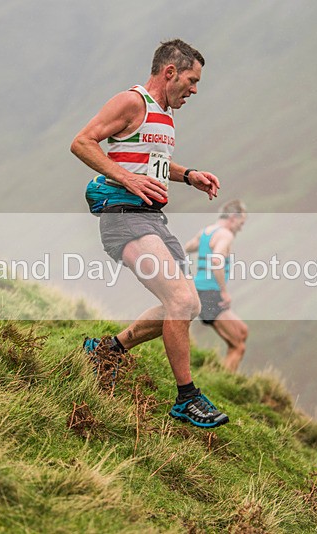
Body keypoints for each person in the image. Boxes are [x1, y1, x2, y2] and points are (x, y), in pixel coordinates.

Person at [70, 39, 228, 428]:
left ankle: (106, 351)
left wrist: (188, 175)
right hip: (124, 216)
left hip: (152, 219)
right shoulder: (132, 102)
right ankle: (187, 398)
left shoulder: (164, 115)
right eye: (192, 80)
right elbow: (82, 142)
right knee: (179, 300)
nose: (194, 90)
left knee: (189, 304)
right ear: (170, 72)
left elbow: (151, 162)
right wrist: (126, 178)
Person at [185, 200, 249, 373]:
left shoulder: (206, 231)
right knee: (238, 346)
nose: (240, 228)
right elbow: (216, 260)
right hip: (210, 293)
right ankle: (224, 380)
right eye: (241, 223)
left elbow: (188, 247)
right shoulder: (226, 234)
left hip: (199, 290)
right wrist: (224, 292)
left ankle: (223, 373)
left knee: (243, 331)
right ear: (233, 217)